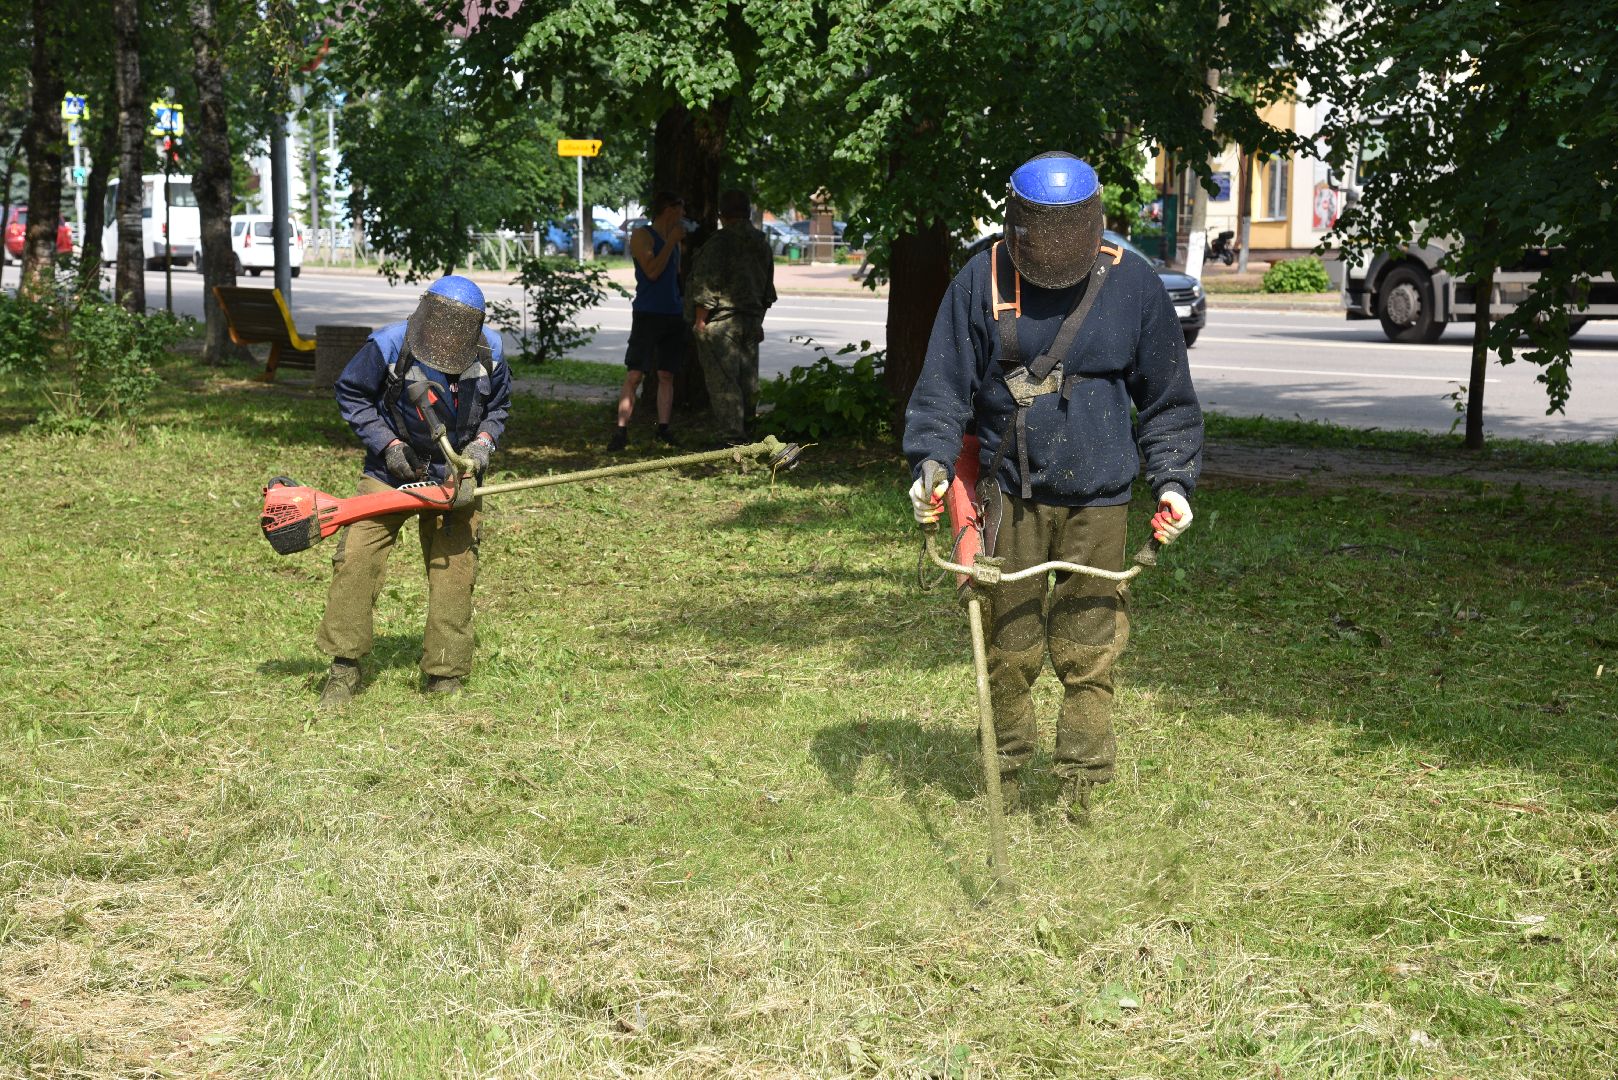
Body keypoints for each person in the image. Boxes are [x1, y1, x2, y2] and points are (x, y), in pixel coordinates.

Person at [904, 152, 1203, 821]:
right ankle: (1003, 778)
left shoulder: (1134, 286)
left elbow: (1169, 402)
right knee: (1008, 648)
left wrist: (1175, 480)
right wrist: (930, 464)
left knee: (1090, 647)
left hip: (1101, 498)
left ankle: (1081, 792)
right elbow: (941, 393)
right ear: (1018, 220)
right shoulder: (978, 281)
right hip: (1011, 493)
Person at [316, 274, 512, 706]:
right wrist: (387, 445)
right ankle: (344, 668)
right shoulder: (389, 345)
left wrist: (482, 446)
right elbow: (351, 392)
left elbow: (498, 408)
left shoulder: (490, 352)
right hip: (390, 472)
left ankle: (446, 673)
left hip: (454, 475)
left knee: (455, 569)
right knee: (357, 557)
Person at [687, 189, 777, 444]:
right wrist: (758, 319)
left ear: (722, 215)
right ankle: (749, 428)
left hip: (721, 323)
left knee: (724, 383)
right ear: (748, 212)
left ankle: (732, 438)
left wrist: (700, 322)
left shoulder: (719, 242)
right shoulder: (761, 242)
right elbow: (767, 290)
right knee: (749, 381)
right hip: (751, 320)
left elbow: (706, 286)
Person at [609, 191, 687, 450]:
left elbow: (675, 276)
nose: (683, 215)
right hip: (648, 313)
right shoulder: (643, 235)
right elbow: (652, 272)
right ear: (669, 208)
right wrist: (671, 242)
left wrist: (675, 244)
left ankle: (663, 429)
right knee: (635, 374)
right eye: (681, 209)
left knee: (667, 374)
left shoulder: (674, 240)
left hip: (673, 314)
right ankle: (621, 431)